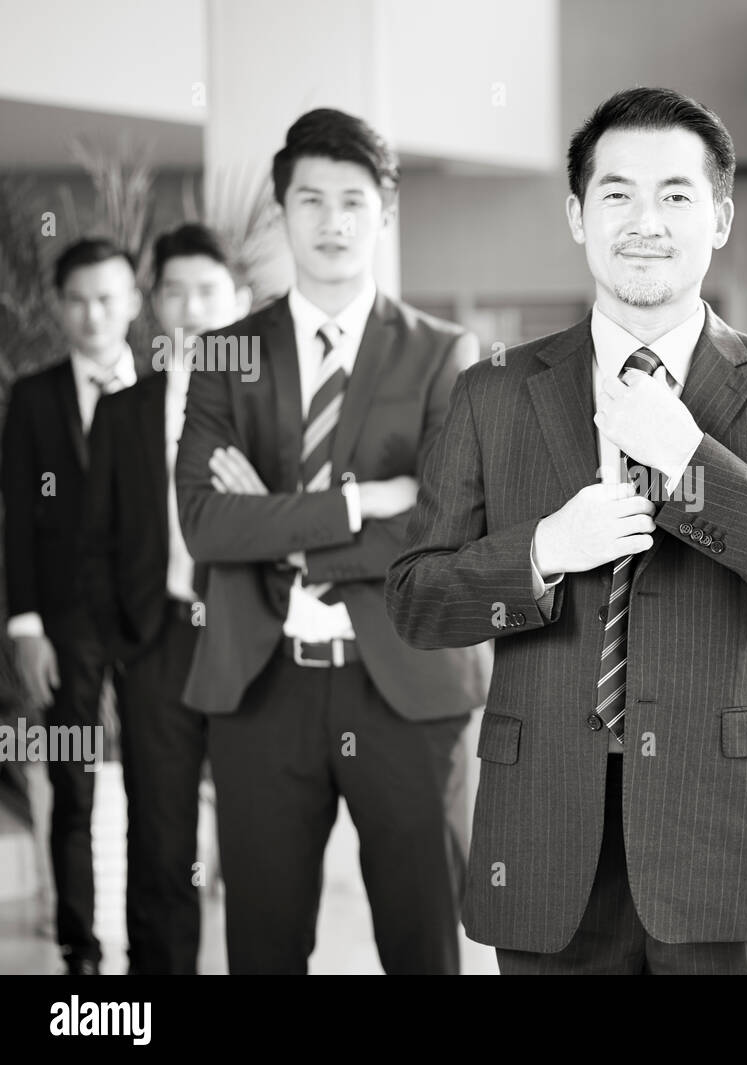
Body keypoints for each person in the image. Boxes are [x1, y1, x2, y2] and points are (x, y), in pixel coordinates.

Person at [387, 86, 747, 975]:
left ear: (719, 218)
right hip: (545, 833)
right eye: (617, 194)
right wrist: (540, 552)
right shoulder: (493, 393)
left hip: (730, 832)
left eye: (676, 196)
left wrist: (693, 461)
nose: (645, 220)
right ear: (578, 214)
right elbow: (418, 600)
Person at [174, 108, 487, 974]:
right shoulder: (227, 355)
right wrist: (358, 504)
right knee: (264, 949)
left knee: (424, 944)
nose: (333, 221)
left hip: (406, 690)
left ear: (384, 213)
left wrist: (281, 527)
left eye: (354, 201)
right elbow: (204, 519)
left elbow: (440, 522)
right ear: (282, 213)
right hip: (261, 685)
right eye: (311, 200)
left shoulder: (441, 352)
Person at [81, 223, 251, 974]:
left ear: (237, 300)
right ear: (153, 303)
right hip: (160, 641)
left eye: (206, 291)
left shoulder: (268, 405)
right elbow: (98, 537)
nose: (191, 307)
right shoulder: (124, 410)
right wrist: (124, 639)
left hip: (251, 641)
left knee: (262, 837)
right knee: (159, 836)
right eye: (174, 291)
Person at [1, 238, 141, 974]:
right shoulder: (33, 396)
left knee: (159, 782)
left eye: (107, 298)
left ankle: (150, 940)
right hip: (64, 623)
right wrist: (25, 625)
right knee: (73, 782)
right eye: (79, 300)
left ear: (132, 302)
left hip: (154, 621)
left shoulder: (165, 388)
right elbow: (17, 518)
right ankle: (80, 948)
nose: (93, 314)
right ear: (60, 307)